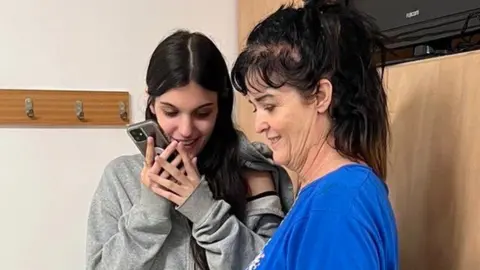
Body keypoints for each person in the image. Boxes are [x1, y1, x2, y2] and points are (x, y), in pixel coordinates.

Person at [86, 30, 293, 270]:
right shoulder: (120, 177)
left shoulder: (252, 170)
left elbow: (276, 264)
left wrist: (206, 212)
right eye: (171, 112)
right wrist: (149, 212)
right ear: (151, 104)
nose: (185, 130)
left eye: (202, 113)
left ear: (220, 108)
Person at [231, 0, 399, 269]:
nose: (259, 124)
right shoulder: (324, 195)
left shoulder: (337, 205)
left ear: (321, 96)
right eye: (255, 107)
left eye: (269, 106)